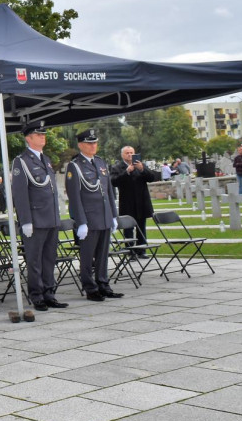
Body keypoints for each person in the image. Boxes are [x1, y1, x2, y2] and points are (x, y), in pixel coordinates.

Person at [11, 121, 67, 311]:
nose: (43, 136)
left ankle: (49, 293)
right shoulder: (21, 161)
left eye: (44, 134)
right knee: (34, 261)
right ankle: (37, 296)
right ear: (29, 138)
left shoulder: (46, 159)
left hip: (51, 218)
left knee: (49, 259)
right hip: (35, 220)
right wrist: (25, 220)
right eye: (38, 134)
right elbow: (20, 193)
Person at [67, 129, 122, 302]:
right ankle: (90, 288)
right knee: (87, 256)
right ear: (81, 145)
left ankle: (103, 284)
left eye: (95, 143)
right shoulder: (75, 166)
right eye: (89, 143)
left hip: (104, 216)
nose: (93, 146)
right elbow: (74, 196)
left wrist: (114, 215)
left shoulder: (100, 162)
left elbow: (109, 192)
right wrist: (81, 222)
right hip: (89, 219)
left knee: (103, 255)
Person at [110, 145, 160, 255]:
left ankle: (141, 251)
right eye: (127, 153)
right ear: (122, 155)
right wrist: (126, 172)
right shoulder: (117, 167)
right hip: (127, 202)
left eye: (131, 152)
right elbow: (113, 182)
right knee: (128, 228)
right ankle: (130, 251)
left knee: (141, 227)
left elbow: (152, 177)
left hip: (142, 202)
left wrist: (142, 169)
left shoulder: (141, 165)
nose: (129, 155)